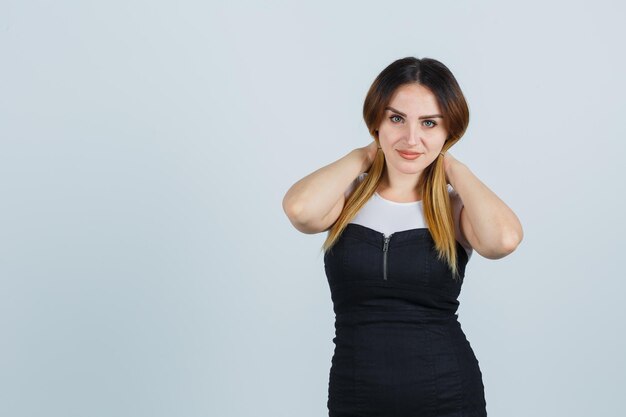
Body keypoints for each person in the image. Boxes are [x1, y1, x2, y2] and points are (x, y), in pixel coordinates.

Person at [282, 56, 523, 417]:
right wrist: (362, 156)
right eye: (396, 119)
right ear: (376, 121)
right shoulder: (345, 197)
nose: (412, 138)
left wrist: (453, 166)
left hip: (447, 396)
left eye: (430, 123)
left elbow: (503, 240)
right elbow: (300, 210)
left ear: (448, 132)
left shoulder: (456, 208)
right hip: (356, 396)